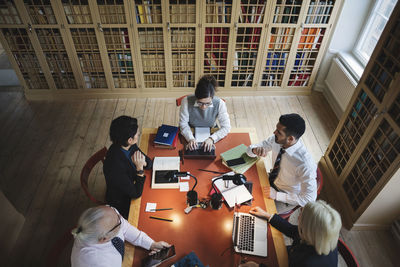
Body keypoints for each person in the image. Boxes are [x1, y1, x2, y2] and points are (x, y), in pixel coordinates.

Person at [246, 113, 317, 213]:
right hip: (271, 180)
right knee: (242, 190)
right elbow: (250, 149)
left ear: (290, 138)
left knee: (253, 212)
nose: (274, 132)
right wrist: (254, 150)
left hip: (285, 196)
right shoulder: (277, 139)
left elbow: (309, 199)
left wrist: (277, 195)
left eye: (278, 132)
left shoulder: (305, 163)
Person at [239, 200, 342, 267]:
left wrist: (257, 266)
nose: (298, 216)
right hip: (294, 254)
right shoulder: (322, 235)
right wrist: (267, 216)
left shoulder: (307, 263)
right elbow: (292, 230)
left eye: (301, 214)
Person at [71, 205, 170, 267]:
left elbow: (125, 228)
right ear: (104, 238)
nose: (121, 219)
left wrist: (151, 244)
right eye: (118, 222)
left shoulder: (109, 215)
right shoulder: (96, 262)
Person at [103, 116, 152, 219]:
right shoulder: (114, 166)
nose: (139, 134)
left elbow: (148, 162)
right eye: (137, 134)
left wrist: (144, 163)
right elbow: (135, 193)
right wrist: (139, 169)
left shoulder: (128, 145)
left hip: (131, 181)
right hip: (122, 202)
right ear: (130, 140)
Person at [179, 75, 231, 152]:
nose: (203, 107)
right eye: (200, 103)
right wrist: (190, 138)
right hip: (190, 130)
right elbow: (183, 124)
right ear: (196, 97)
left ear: (212, 98)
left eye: (207, 103)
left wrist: (212, 139)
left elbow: (226, 127)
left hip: (211, 131)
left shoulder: (220, 103)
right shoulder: (186, 101)